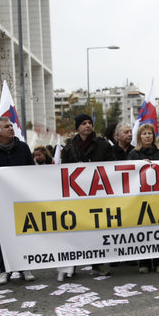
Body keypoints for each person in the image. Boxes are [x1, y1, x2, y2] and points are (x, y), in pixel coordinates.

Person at [0, 117, 36, 285]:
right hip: (1, 201)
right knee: (4, 235)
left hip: (20, 199)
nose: (11, 128)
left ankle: (25, 267)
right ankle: (5, 269)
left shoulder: (23, 148)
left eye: (11, 126)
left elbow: (32, 171)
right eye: (7, 126)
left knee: (23, 233)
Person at [61, 113, 114, 277]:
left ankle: (97, 265)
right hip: (77, 196)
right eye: (83, 123)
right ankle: (72, 267)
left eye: (89, 123)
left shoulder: (103, 145)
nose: (87, 126)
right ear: (77, 128)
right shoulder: (69, 147)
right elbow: (63, 171)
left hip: (98, 194)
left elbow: (112, 167)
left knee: (96, 230)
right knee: (75, 230)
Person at [128, 124, 159, 273]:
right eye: (144, 134)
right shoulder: (133, 154)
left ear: (154, 136)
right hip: (140, 198)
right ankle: (144, 262)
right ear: (139, 137)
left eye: (149, 133)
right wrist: (139, 165)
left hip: (158, 197)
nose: (147, 136)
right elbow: (128, 173)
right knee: (143, 229)